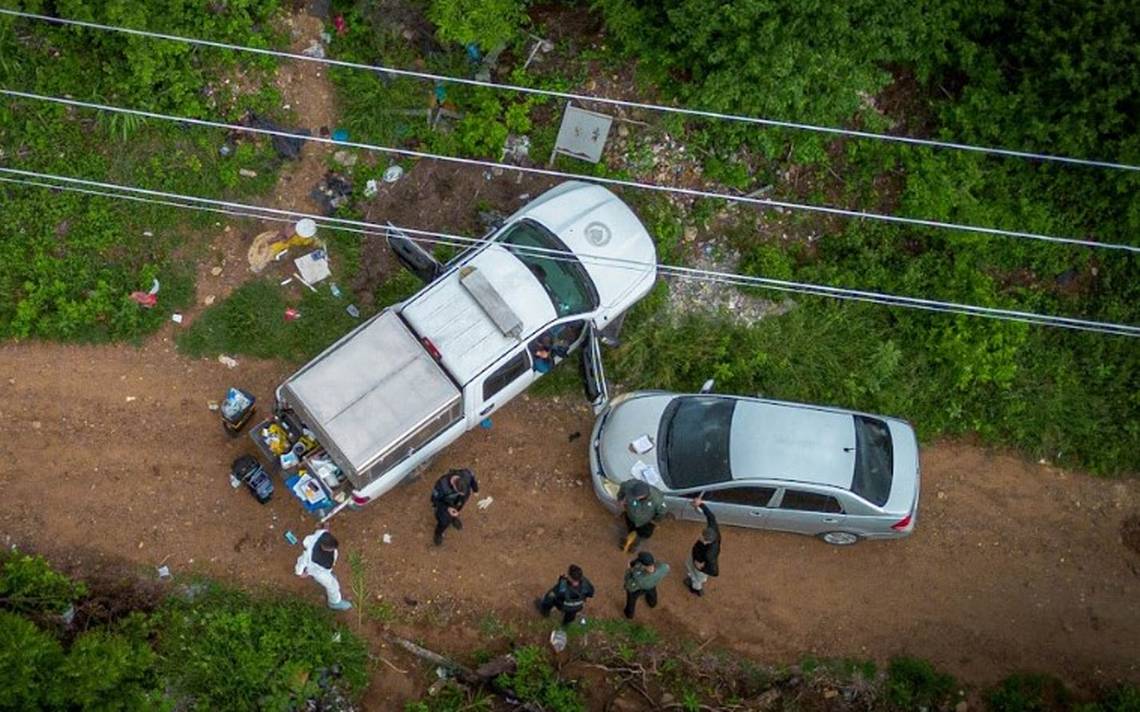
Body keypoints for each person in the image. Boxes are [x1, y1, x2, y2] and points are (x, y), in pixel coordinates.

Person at [294, 528, 352, 611]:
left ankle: (328, 576)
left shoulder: (323, 533)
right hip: (319, 573)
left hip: (326, 569)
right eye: (330, 549)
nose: (333, 550)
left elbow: (322, 529)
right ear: (323, 546)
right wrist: (300, 573)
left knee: (330, 576)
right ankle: (334, 602)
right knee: (333, 585)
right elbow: (300, 563)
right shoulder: (309, 555)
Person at [430, 468, 479, 546]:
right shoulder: (441, 486)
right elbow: (434, 500)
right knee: (443, 521)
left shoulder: (465, 474)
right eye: (459, 492)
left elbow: (472, 479)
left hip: (457, 502)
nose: (463, 493)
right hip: (445, 504)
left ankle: (453, 518)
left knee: (456, 510)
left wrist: (475, 489)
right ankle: (438, 533)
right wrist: (447, 508)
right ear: (453, 484)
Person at [617, 479, 667, 552]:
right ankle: (627, 539)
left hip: (645, 521)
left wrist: (654, 521)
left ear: (644, 495)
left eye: (636, 496)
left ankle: (634, 545)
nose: (633, 497)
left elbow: (662, 512)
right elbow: (623, 487)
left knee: (642, 534)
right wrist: (620, 499)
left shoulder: (657, 499)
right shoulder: (629, 485)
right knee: (630, 528)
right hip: (631, 515)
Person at [685, 495, 721, 596]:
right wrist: (700, 504)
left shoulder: (710, 554)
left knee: (697, 578)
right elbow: (711, 517)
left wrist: (701, 568)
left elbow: (714, 572)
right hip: (697, 557)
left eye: (702, 537)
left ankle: (696, 589)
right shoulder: (713, 530)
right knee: (692, 569)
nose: (700, 536)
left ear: (707, 542)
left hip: (700, 564)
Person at [623, 551, 669, 619]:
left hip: (640, 588)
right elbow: (661, 565)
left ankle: (629, 614)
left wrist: (629, 569)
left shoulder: (639, 578)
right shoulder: (664, 567)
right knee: (652, 593)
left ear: (643, 565)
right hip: (652, 585)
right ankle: (652, 603)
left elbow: (628, 583)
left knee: (631, 597)